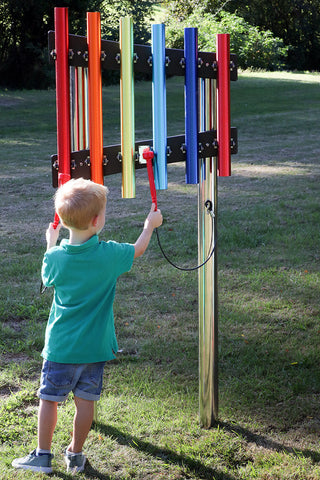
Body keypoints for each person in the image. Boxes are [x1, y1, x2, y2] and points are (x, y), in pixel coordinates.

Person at [12, 178, 163, 474]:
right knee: (86, 405)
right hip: (95, 348)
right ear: (97, 222)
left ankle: (43, 455)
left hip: (61, 347)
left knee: (49, 400)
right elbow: (138, 250)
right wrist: (150, 225)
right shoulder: (109, 255)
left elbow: (46, 277)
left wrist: (50, 242)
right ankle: (75, 455)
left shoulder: (55, 257)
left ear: (65, 221)